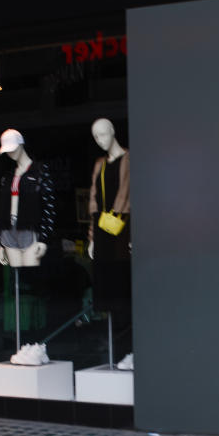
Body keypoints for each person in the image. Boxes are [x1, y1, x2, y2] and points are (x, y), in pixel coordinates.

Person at [86, 118, 133, 369]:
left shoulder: (130, 159)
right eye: (96, 137)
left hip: (123, 234)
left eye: (103, 134)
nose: (101, 140)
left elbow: (131, 197)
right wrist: (92, 237)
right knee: (109, 295)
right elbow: (94, 201)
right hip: (105, 234)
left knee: (125, 293)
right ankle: (118, 352)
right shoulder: (100, 165)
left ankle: (130, 351)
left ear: (113, 132)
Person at [0, 129, 55, 267]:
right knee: (17, 276)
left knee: (31, 276)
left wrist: (44, 238)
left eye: (13, 148)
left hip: (29, 229)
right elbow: (1, 209)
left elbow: (49, 206)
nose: (10, 153)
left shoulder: (40, 171)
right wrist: (0, 243)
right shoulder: (8, 176)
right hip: (8, 230)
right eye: (7, 150)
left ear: (21, 144)